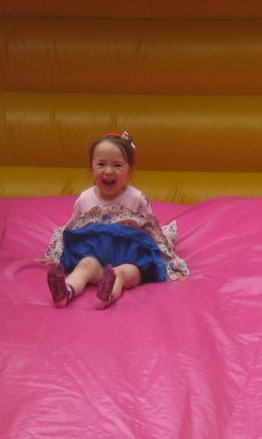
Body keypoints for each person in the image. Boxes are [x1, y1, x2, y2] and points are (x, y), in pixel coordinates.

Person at [43, 131, 188, 309]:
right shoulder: (85, 198)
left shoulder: (136, 198)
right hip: (96, 254)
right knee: (85, 266)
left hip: (129, 256)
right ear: (92, 169)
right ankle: (65, 292)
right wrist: (56, 252)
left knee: (126, 273)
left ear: (128, 171)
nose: (108, 171)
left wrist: (168, 257)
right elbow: (73, 227)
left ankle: (106, 296)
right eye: (101, 164)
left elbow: (151, 229)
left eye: (117, 165)